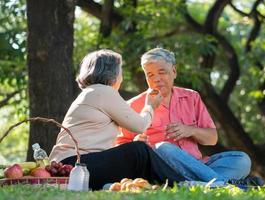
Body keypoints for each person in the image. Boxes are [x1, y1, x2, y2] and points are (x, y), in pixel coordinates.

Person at [116, 48, 254, 186]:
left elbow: (212, 139)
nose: (156, 79)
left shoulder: (192, 97)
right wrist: (136, 143)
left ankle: (197, 183)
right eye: (150, 75)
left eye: (161, 72)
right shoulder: (133, 105)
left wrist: (191, 130)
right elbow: (120, 147)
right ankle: (222, 184)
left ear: (174, 71)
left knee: (242, 159)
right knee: (163, 147)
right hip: (161, 169)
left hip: (198, 165)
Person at [49, 49, 185, 190]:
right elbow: (140, 125)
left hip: (68, 166)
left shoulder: (91, 92)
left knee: (134, 151)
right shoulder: (103, 92)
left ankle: (158, 185)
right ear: (112, 73)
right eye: (120, 70)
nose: (122, 76)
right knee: (139, 150)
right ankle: (184, 184)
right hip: (75, 165)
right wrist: (150, 106)